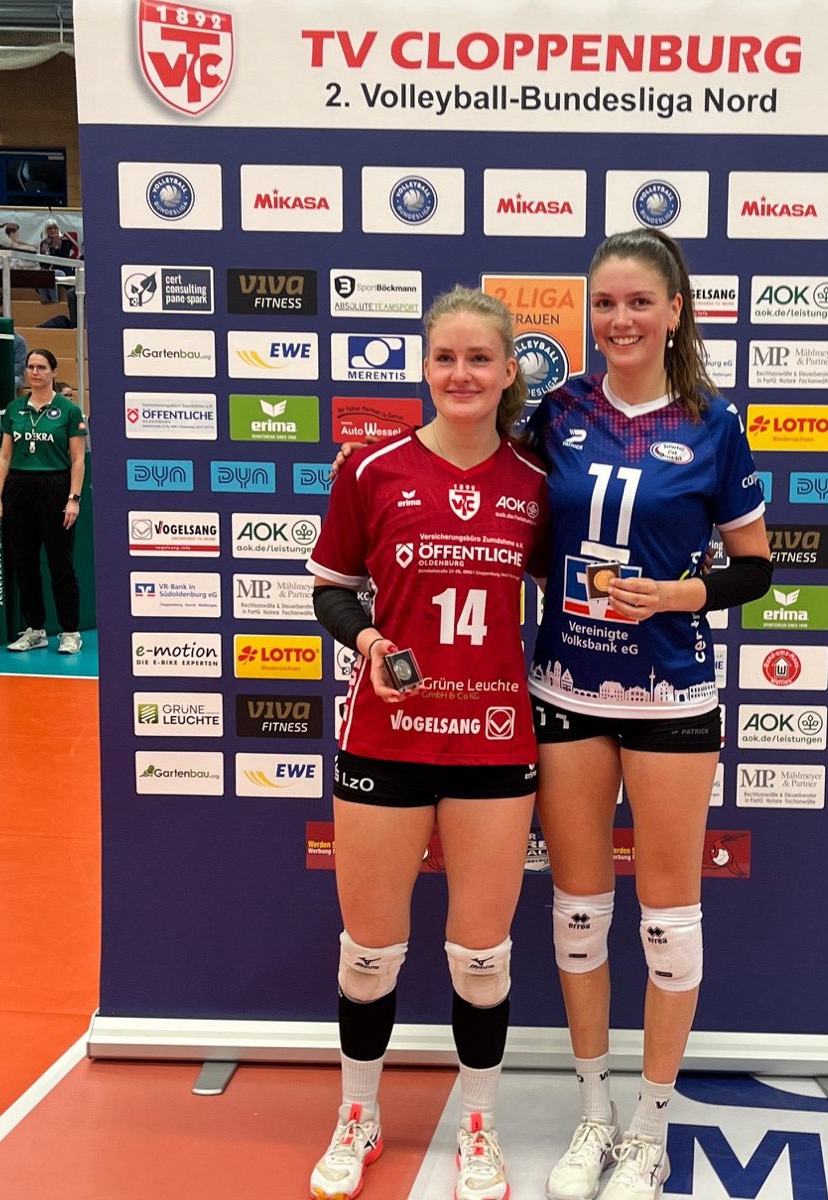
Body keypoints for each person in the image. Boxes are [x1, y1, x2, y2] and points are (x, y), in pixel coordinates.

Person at [528, 229, 771, 1200]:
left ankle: (650, 1128)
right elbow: (494, 509)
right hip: (565, 689)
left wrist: (677, 596)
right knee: (580, 913)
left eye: (638, 301)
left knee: (667, 921)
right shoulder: (557, 412)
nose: (619, 319)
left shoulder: (714, 423)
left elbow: (755, 568)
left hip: (672, 692)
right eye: (604, 302)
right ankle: (593, 1114)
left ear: (675, 310)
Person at [307, 287, 548, 1200]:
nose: (461, 374)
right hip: (386, 740)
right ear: (423, 366)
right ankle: (357, 1113)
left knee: (481, 956)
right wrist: (369, 642)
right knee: (369, 951)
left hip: (493, 741)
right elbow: (331, 588)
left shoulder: (536, 483)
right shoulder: (371, 471)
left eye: (479, 358)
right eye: (445, 357)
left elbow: (581, 579)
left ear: (508, 369)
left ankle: (478, 1124)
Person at [0, 349, 86, 653]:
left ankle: (70, 631)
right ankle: (34, 629)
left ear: (53, 372)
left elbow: (78, 460)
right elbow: (5, 456)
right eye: (30, 366)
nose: (35, 372)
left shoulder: (68, 411)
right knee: (25, 564)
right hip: (18, 489)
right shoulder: (14, 409)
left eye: (41, 367)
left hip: (54, 487)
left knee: (60, 564)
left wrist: (73, 498)